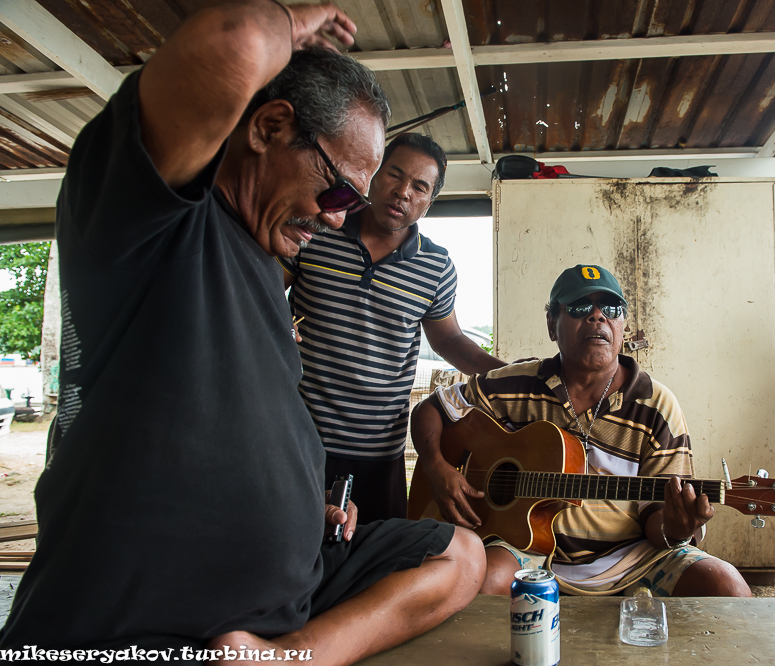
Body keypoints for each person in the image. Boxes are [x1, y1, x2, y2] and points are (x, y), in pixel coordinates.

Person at [0, 2, 486, 660]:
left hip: (294, 587)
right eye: (341, 192)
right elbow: (233, 43)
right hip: (135, 630)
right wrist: (288, 24)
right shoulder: (155, 223)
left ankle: (294, 657)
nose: (338, 218)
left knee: (462, 555)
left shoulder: (267, 264)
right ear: (270, 126)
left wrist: (297, 511)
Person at [410, 265, 751, 597]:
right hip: (528, 551)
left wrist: (676, 530)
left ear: (623, 325)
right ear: (551, 325)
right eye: (580, 307)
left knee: (725, 584)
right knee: (482, 583)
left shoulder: (657, 405)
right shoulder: (516, 383)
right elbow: (432, 409)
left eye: (611, 309)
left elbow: (658, 522)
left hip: (633, 560)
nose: (598, 317)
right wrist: (436, 468)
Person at [281, 132, 505, 523]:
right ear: (373, 173)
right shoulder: (318, 229)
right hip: (297, 437)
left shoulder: (435, 267)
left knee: (373, 558)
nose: (402, 192)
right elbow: (265, 290)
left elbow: (449, 339)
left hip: (378, 448)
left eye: (419, 187)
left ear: (430, 202)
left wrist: (509, 375)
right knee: (292, 548)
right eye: (393, 175)